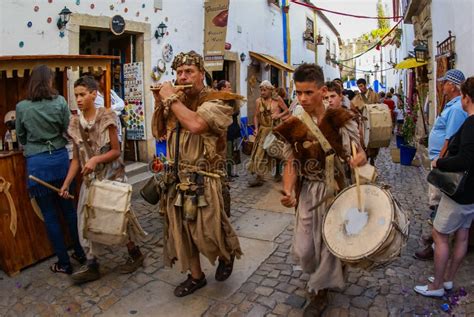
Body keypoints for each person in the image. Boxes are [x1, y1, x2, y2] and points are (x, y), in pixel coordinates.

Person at [152, 51, 243, 297]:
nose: (183, 77)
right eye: (179, 72)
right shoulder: (176, 100)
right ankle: (196, 276)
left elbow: (196, 124)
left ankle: (226, 254)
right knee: (182, 232)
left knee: (209, 230)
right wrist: (159, 102)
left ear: (202, 74)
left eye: (189, 72)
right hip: (176, 177)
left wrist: (170, 99)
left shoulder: (217, 100)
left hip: (206, 177)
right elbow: (158, 131)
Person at [279, 64, 367, 316]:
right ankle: (318, 278)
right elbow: (291, 162)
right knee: (304, 248)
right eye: (298, 93)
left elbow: (359, 151)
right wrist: (289, 191)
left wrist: (358, 159)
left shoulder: (340, 120)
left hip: (336, 190)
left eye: (308, 92)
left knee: (330, 244)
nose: (303, 99)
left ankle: (320, 292)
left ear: (322, 90)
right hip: (308, 190)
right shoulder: (294, 124)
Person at [59, 76, 146, 284]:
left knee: (119, 219)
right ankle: (92, 264)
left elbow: (116, 151)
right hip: (91, 182)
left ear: (93, 94)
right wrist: (66, 183)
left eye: (82, 94)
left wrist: (97, 158)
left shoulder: (107, 117)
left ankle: (135, 253)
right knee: (85, 220)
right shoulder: (75, 123)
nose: (78, 99)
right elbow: (77, 160)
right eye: (76, 95)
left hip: (112, 178)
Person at [16, 65, 85, 274]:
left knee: (49, 215)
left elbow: (21, 137)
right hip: (60, 161)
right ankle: (81, 254)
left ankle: (64, 263)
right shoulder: (60, 102)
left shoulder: (22, 107)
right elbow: (68, 130)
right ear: (48, 82)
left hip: (38, 165)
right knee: (68, 211)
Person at [414, 77, 474, 297]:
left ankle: (436, 285)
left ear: (466, 97)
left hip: (459, 192)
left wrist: (440, 162)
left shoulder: (470, 123)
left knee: (439, 235)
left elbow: (464, 159)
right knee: (463, 235)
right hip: (471, 192)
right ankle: (447, 280)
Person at [247, 80, 289, 186]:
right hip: (263, 130)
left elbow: (287, 111)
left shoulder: (278, 99)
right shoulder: (258, 101)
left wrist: (278, 116)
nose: (262, 92)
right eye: (261, 90)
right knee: (259, 153)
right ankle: (259, 176)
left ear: (270, 90)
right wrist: (256, 128)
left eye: (264, 90)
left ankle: (278, 173)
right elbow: (256, 116)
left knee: (276, 152)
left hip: (275, 130)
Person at [217, 80, 241, 179]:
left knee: (233, 152)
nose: (231, 89)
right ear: (222, 88)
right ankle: (226, 174)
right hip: (224, 130)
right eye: (229, 87)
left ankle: (230, 172)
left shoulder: (231, 99)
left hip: (233, 129)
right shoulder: (217, 100)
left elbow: (237, 111)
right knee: (226, 153)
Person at [92, 72, 125, 143]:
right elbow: (102, 111)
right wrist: (116, 110)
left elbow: (122, 104)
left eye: (109, 80)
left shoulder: (111, 92)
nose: (107, 82)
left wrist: (110, 108)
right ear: (98, 81)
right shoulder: (95, 96)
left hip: (116, 128)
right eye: (104, 80)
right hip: (103, 131)